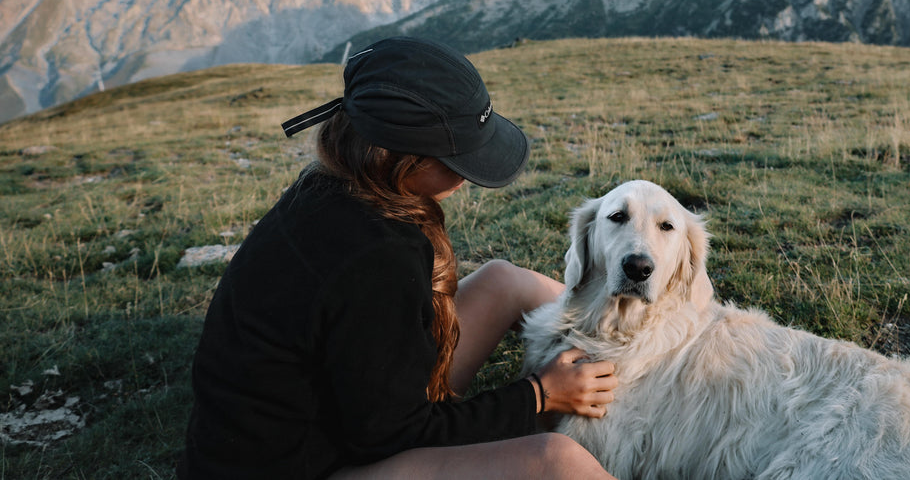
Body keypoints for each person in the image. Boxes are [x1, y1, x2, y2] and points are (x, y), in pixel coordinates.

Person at [178, 37, 617, 479]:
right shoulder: (374, 256)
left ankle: (628, 351)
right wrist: (538, 395)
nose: (468, 174)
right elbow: (391, 435)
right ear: (404, 156)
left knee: (504, 281)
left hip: (345, 418)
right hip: (308, 465)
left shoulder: (334, 187)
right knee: (558, 463)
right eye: (459, 157)